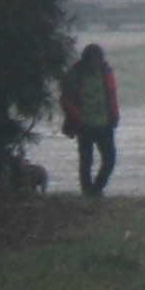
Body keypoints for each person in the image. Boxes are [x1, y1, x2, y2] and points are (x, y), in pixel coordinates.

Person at [60, 39, 122, 197]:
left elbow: (112, 95)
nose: (97, 63)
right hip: (84, 124)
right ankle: (88, 191)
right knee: (86, 161)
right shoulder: (75, 74)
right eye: (94, 59)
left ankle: (96, 189)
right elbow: (67, 99)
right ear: (86, 59)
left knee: (110, 160)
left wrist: (114, 115)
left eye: (99, 59)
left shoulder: (106, 72)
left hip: (105, 122)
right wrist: (77, 118)